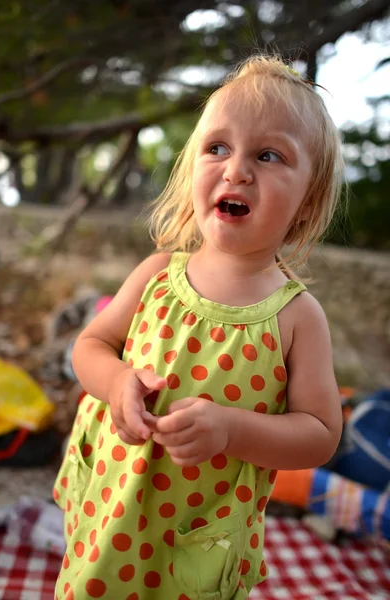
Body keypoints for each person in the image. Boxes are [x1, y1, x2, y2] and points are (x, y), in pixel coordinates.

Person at [53, 53, 344, 600]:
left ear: (306, 204)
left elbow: (321, 434)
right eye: (217, 148)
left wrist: (233, 430)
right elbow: (90, 345)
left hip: (197, 536)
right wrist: (116, 381)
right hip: (111, 507)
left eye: (268, 155)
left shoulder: (296, 316)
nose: (236, 169)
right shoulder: (158, 274)